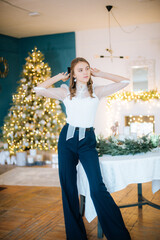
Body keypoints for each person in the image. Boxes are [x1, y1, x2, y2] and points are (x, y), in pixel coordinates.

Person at [34, 57, 131, 240]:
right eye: (80, 70)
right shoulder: (65, 93)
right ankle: (76, 236)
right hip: (67, 140)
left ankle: (119, 236)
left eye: (87, 68)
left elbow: (125, 81)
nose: (85, 72)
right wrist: (58, 77)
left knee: (97, 187)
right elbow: (39, 89)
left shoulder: (97, 92)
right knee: (69, 188)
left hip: (87, 140)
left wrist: (101, 73)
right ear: (73, 74)